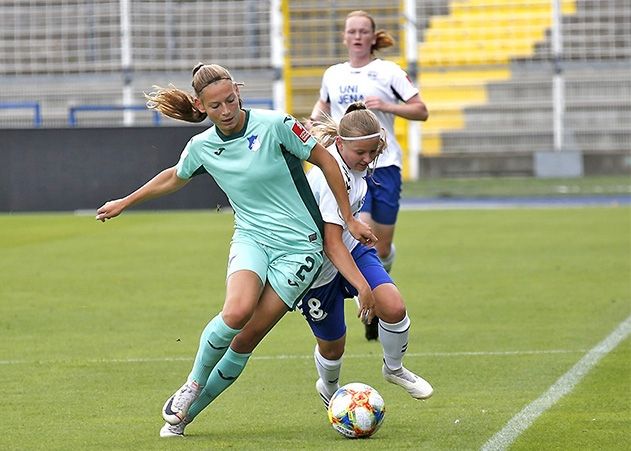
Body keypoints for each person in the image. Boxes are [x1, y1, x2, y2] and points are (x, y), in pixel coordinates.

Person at [94, 63, 377, 438]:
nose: (226, 111)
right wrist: (125, 201)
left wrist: (348, 218)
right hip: (252, 238)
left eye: (231, 100)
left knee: (246, 338)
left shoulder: (276, 125)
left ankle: (183, 418)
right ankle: (191, 386)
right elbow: (174, 176)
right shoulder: (202, 146)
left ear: (238, 91)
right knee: (237, 311)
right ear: (200, 106)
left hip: (300, 249)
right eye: (215, 106)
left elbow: (324, 160)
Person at [299, 102, 433, 409]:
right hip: (317, 268)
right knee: (333, 348)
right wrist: (362, 288)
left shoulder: (357, 165)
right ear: (340, 144)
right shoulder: (330, 174)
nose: (368, 159)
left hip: (352, 250)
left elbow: (342, 237)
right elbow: (331, 244)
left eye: (373, 152)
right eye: (361, 153)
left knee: (394, 306)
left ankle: (394, 368)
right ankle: (330, 388)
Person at [307, 10, 429, 341]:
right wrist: (309, 124)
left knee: (382, 244)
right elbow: (322, 106)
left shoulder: (387, 72)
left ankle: (378, 282)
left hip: (384, 167)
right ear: (345, 37)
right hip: (343, 168)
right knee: (354, 229)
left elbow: (421, 110)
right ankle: (368, 296)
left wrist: (386, 106)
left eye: (364, 31)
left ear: (373, 37)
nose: (358, 36)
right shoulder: (333, 74)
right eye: (352, 31)